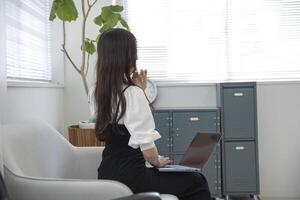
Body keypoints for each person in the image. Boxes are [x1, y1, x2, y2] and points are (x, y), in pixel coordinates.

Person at [94, 28, 211, 200]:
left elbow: (124, 126)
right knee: (196, 180)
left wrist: (139, 92)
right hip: (131, 177)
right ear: (125, 56)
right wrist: (157, 161)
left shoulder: (95, 91)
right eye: (133, 52)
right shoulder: (132, 93)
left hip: (107, 173)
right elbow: (148, 151)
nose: (136, 58)